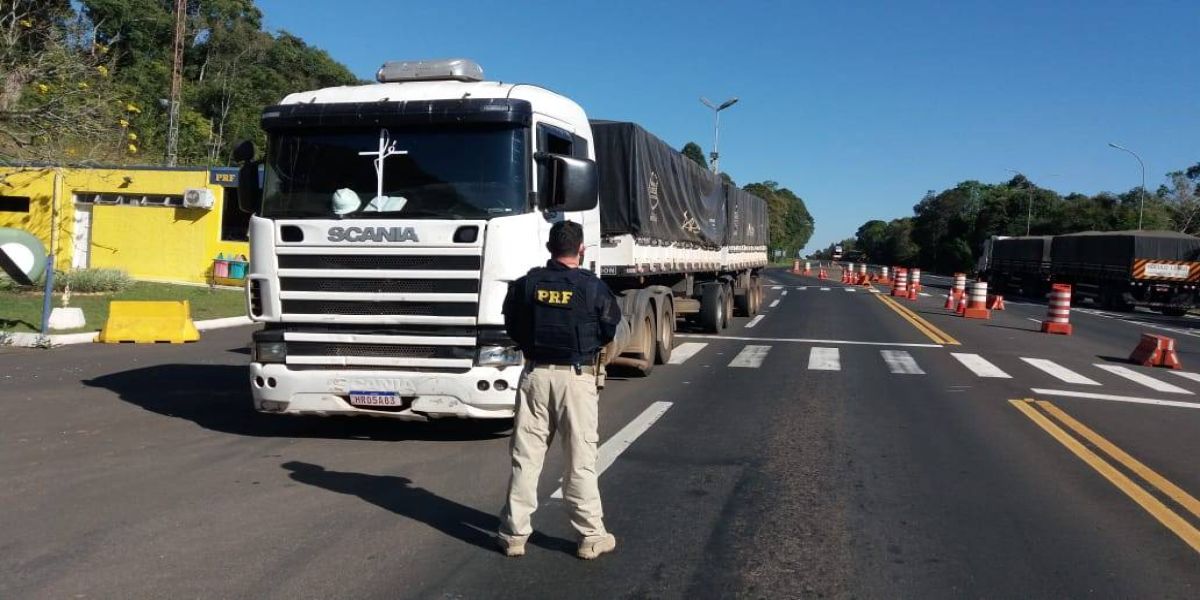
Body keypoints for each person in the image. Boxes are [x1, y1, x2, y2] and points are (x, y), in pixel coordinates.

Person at [498, 220, 623, 560]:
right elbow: (609, 329)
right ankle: (591, 536)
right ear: (581, 249)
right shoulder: (593, 288)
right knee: (580, 459)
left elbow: (512, 324)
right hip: (576, 378)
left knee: (526, 457)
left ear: (550, 249)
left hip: (534, 375)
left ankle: (514, 534)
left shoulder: (527, 284)